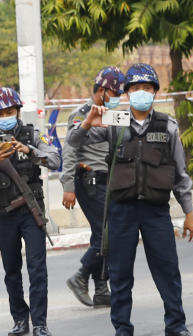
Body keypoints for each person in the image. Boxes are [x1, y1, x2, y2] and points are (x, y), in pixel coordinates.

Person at [68, 63, 193, 336]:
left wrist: (189, 215)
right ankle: (122, 331)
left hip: (156, 211)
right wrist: (87, 122)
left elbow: (180, 175)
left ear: (155, 91)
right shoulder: (115, 119)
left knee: (168, 270)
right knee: (120, 272)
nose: (141, 92)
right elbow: (73, 141)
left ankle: (176, 327)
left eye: (147, 87)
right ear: (127, 93)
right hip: (121, 209)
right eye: (135, 88)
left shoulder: (167, 125)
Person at [0, 87, 61, 336]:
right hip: (4, 213)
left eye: (9, 111)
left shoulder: (32, 134)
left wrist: (31, 150)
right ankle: (20, 318)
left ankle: (40, 323)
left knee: (37, 269)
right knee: (12, 270)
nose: (5, 116)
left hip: (31, 212)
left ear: (18, 111)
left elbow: (55, 159)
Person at [60, 66, 124, 308]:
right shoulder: (81, 114)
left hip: (109, 181)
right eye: (116, 92)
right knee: (107, 234)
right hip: (88, 181)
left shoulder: (113, 115)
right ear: (102, 91)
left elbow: (130, 133)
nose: (119, 97)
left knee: (101, 233)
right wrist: (68, 185)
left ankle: (100, 288)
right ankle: (81, 276)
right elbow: (70, 149)